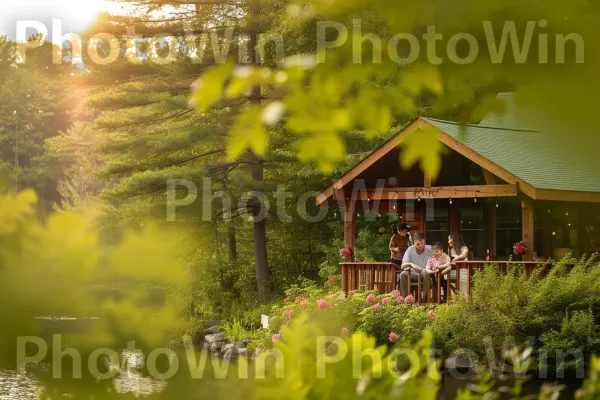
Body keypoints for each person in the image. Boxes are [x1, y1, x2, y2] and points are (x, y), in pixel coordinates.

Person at [399, 232, 432, 302]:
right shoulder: (410, 249)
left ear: (424, 241)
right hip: (413, 273)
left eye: (422, 243)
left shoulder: (430, 249)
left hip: (427, 272)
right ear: (414, 242)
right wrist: (411, 264)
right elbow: (402, 266)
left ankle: (424, 300)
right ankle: (407, 300)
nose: (420, 246)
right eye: (418, 244)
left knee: (426, 273)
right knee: (403, 274)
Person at [440, 232, 469, 297]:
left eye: (449, 239)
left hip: (462, 271)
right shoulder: (450, 250)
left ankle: (456, 294)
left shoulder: (464, 248)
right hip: (452, 271)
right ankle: (448, 296)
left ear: (454, 239)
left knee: (444, 275)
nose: (448, 241)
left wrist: (454, 259)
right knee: (442, 279)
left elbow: (463, 256)